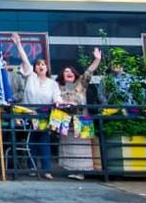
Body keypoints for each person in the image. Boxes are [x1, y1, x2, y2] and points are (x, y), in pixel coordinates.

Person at [15, 34, 62, 180]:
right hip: (30, 113)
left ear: (47, 68)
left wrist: (62, 102)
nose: (41, 66)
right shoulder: (31, 77)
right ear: (35, 68)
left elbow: (57, 97)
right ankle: (32, 168)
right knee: (31, 141)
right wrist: (18, 44)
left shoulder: (52, 83)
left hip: (45, 115)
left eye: (43, 64)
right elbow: (25, 60)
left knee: (44, 142)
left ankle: (47, 170)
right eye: (38, 65)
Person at [58, 48, 101, 179]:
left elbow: (89, 72)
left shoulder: (81, 83)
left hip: (82, 119)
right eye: (66, 71)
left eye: (71, 71)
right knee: (69, 146)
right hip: (66, 120)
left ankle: (82, 171)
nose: (69, 73)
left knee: (82, 146)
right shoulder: (58, 86)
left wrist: (97, 59)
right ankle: (71, 170)